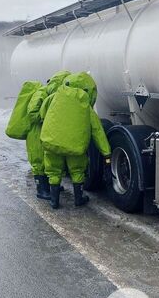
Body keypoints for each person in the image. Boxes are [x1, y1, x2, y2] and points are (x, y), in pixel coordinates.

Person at [40, 71, 111, 209]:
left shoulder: (55, 96)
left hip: (52, 142)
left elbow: (43, 112)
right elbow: (97, 131)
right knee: (77, 171)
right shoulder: (86, 106)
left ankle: (54, 200)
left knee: (53, 170)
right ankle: (79, 198)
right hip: (75, 146)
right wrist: (106, 153)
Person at [25, 71, 71, 199]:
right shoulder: (41, 93)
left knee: (48, 160)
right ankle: (41, 190)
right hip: (36, 132)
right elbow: (32, 114)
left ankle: (49, 187)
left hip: (47, 131)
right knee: (39, 161)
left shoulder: (54, 95)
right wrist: (48, 117)